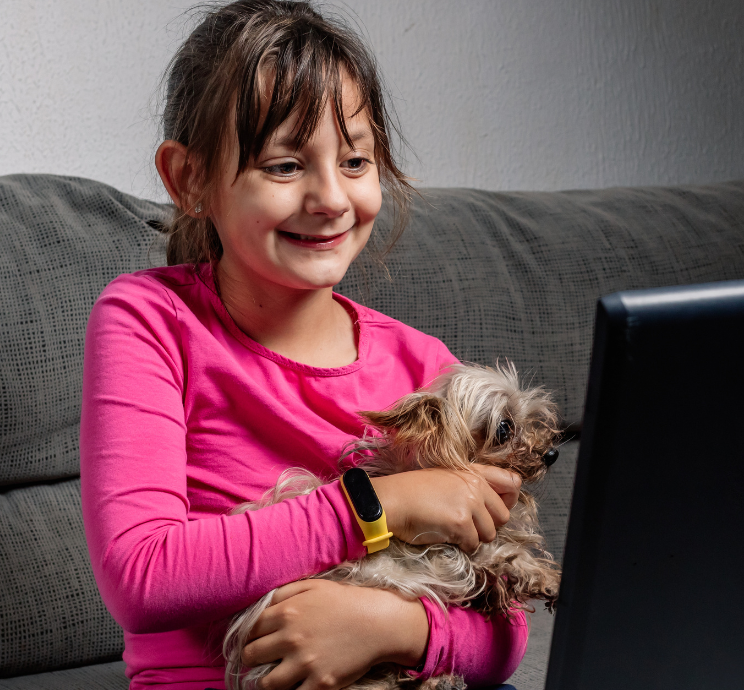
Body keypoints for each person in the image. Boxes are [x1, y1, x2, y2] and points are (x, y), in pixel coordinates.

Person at [79, 2, 529, 689]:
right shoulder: (150, 321)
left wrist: (389, 627)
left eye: (354, 160)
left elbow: (505, 633)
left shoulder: (425, 367)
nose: (330, 197)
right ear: (190, 180)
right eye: (286, 165)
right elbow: (142, 576)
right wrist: (387, 504)